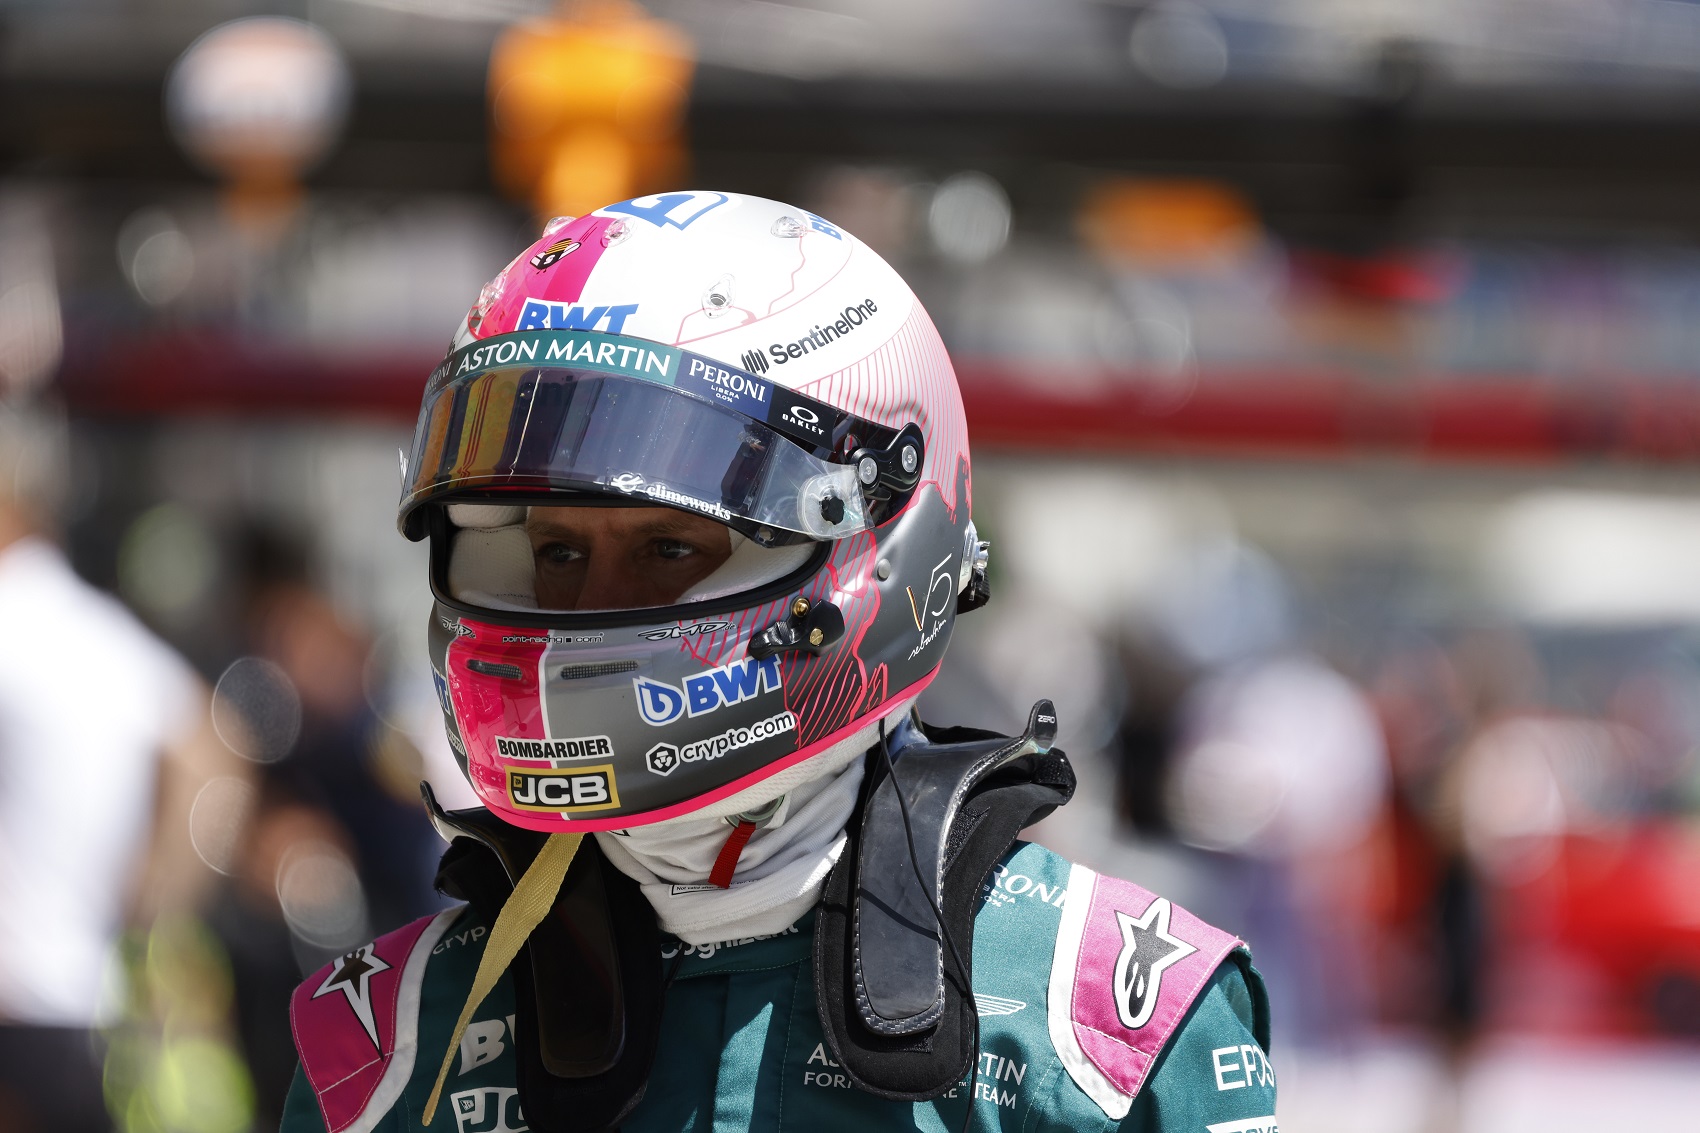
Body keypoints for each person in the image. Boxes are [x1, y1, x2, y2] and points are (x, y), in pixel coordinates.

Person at [280, 193, 1277, 1132]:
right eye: (556, 553)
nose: (587, 613)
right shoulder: (382, 1049)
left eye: (670, 546)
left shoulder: (1104, 1032)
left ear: (876, 542)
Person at [0, 400, 240, 1132]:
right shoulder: (90, 631)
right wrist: (154, 907)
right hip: (85, 1007)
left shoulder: (21, 619)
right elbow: (215, 754)